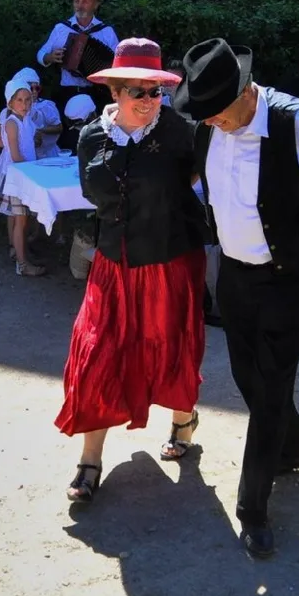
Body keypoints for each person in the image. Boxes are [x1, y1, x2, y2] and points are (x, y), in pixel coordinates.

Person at [174, 38, 299, 559]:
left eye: (217, 114)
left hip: (289, 274)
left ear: (246, 92)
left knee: (268, 388)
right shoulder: (207, 126)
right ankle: (296, 446)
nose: (212, 123)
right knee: (247, 375)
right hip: (236, 274)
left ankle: (253, 507)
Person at [56, 39, 205, 504]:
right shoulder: (91, 137)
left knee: (169, 347)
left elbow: (198, 181)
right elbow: (91, 191)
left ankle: (183, 419)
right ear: (115, 91)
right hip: (112, 266)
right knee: (98, 352)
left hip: (168, 263)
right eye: (137, 91)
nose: (147, 100)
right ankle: (90, 458)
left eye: (155, 91)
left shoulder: (182, 132)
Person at [0, 73, 46, 277]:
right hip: (17, 175)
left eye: (27, 100)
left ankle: (22, 256)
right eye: (19, 100)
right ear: (10, 102)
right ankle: (22, 264)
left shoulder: (26, 120)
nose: (24, 104)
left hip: (25, 173)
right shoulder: (12, 122)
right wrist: (37, 169)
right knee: (20, 219)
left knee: (22, 219)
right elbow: (15, 155)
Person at [36, 0, 118, 109]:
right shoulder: (61, 28)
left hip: (98, 92)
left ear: (96, 5)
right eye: (77, 1)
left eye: (85, 1)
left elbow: (117, 64)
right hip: (68, 91)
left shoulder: (106, 32)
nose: (80, 6)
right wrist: (50, 57)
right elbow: (40, 54)